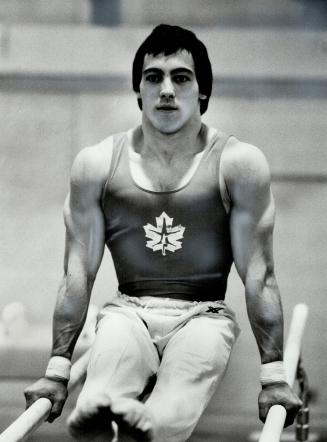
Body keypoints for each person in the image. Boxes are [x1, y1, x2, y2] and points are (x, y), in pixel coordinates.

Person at [24, 24, 302, 442]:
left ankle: (149, 426)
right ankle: (100, 414)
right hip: (127, 309)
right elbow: (76, 272)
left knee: (185, 381)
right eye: (153, 77)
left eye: (181, 77)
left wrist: (275, 374)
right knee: (109, 363)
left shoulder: (238, 164)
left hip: (203, 314)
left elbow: (259, 274)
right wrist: (57, 371)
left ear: (202, 92)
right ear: (139, 91)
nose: (166, 90)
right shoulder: (97, 164)